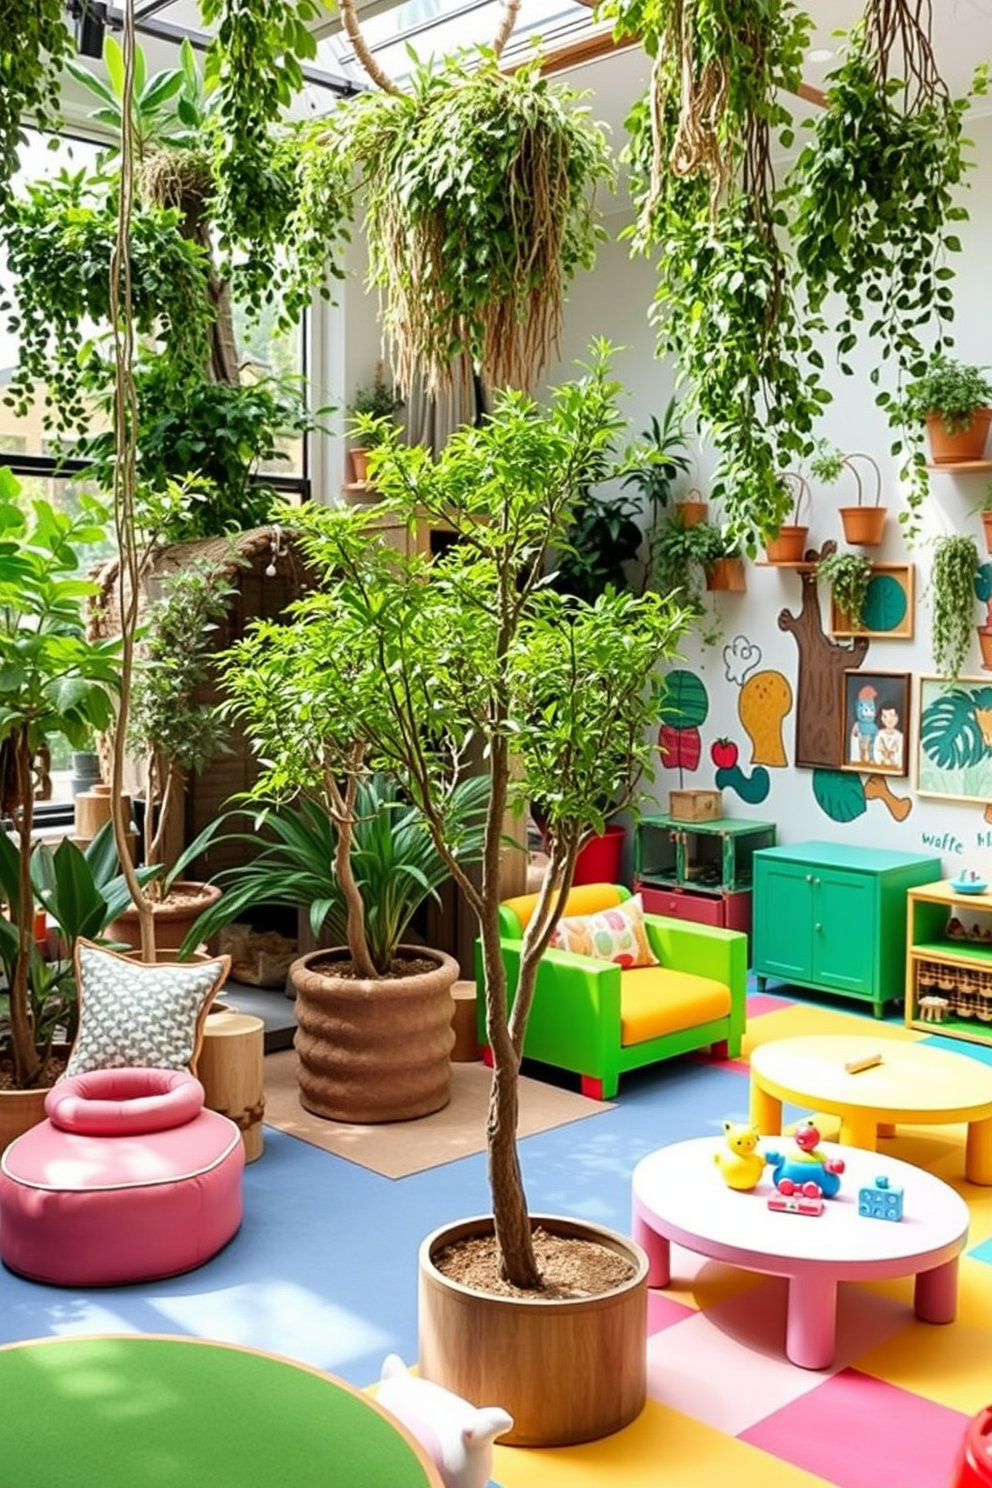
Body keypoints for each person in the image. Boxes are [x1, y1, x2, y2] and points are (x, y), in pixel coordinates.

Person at [873, 702, 904, 770]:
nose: (888, 719)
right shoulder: (878, 734)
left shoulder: (900, 736)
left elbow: (900, 756)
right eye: (885, 716)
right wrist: (880, 762)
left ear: (897, 716)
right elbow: (876, 752)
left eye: (892, 715)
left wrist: (894, 763)